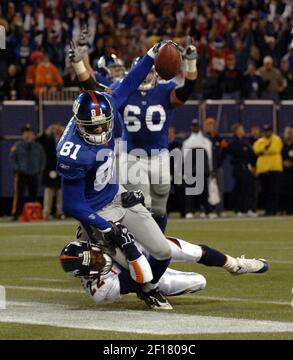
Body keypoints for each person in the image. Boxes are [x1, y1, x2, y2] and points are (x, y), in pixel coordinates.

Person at [56, 41, 176, 310]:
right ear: (78, 123)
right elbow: (71, 204)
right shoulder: (71, 151)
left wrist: (150, 55)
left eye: (104, 125)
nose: (101, 133)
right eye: (93, 127)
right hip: (97, 209)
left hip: (117, 194)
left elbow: (130, 82)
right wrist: (105, 226)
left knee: (163, 250)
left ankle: (148, 286)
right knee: (132, 257)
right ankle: (146, 287)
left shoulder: (109, 103)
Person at [59, 234, 269, 308]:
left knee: (194, 251)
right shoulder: (101, 291)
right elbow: (140, 275)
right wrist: (127, 245)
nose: (99, 260)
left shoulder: (88, 235)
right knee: (200, 281)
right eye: (93, 264)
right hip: (142, 274)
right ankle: (149, 294)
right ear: (85, 275)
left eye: (94, 255)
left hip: (138, 247)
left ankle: (235, 265)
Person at [118, 43, 197, 233]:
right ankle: (139, 248)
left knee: (160, 208)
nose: (146, 76)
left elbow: (187, 90)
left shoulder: (165, 90)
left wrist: (191, 63)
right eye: (143, 73)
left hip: (159, 155)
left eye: (150, 72)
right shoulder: (123, 90)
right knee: (139, 205)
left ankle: (156, 245)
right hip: (132, 155)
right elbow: (98, 93)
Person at [10, 125, 45, 221]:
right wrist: (18, 168)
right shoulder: (17, 146)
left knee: (33, 195)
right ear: (22, 135)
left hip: (34, 174)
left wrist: (39, 169)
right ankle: (16, 214)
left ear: (33, 135)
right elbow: (12, 159)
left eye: (30, 133)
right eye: (26, 133)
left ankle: (33, 215)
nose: (28, 135)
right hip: (21, 174)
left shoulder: (38, 146)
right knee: (19, 195)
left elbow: (43, 159)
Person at [182, 120, 212, 219]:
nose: (195, 128)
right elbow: (184, 157)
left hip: (202, 169)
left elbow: (209, 156)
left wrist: (210, 169)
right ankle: (189, 211)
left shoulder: (206, 141)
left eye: (197, 126)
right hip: (191, 169)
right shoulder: (187, 142)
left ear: (199, 127)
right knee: (190, 191)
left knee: (203, 191)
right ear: (192, 127)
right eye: (194, 126)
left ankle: (204, 210)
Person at [36, 123, 65, 220]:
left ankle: (59, 212)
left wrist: (65, 132)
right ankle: (46, 213)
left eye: (58, 128)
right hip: (49, 169)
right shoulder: (48, 139)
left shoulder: (65, 139)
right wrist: (45, 133)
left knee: (60, 193)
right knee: (48, 192)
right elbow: (38, 140)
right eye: (54, 129)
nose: (56, 130)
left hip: (62, 169)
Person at [253, 125, 283, 216]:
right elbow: (256, 150)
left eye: (269, 131)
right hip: (263, 169)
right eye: (266, 131)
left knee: (274, 190)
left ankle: (274, 209)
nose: (267, 133)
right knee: (265, 191)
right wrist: (265, 149)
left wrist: (263, 151)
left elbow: (274, 149)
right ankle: (267, 209)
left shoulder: (276, 139)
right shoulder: (260, 141)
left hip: (274, 168)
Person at [228, 124, 256, 217]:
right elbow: (235, 153)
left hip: (247, 167)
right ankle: (238, 210)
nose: (243, 130)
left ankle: (248, 209)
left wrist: (252, 165)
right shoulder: (233, 142)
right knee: (239, 189)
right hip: (238, 168)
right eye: (241, 129)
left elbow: (251, 153)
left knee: (249, 189)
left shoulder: (246, 141)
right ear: (236, 131)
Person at [203, 117, 228, 216]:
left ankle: (219, 210)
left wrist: (220, 161)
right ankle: (209, 210)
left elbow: (225, 149)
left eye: (212, 124)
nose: (210, 126)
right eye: (208, 124)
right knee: (207, 189)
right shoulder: (204, 138)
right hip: (207, 168)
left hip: (217, 167)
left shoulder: (219, 138)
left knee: (219, 189)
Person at [280, 125, 293, 215]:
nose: (289, 134)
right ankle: (285, 209)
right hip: (283, 172)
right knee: (284, 190)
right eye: (287, 132)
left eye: (291, 132)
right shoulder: (281, 145)